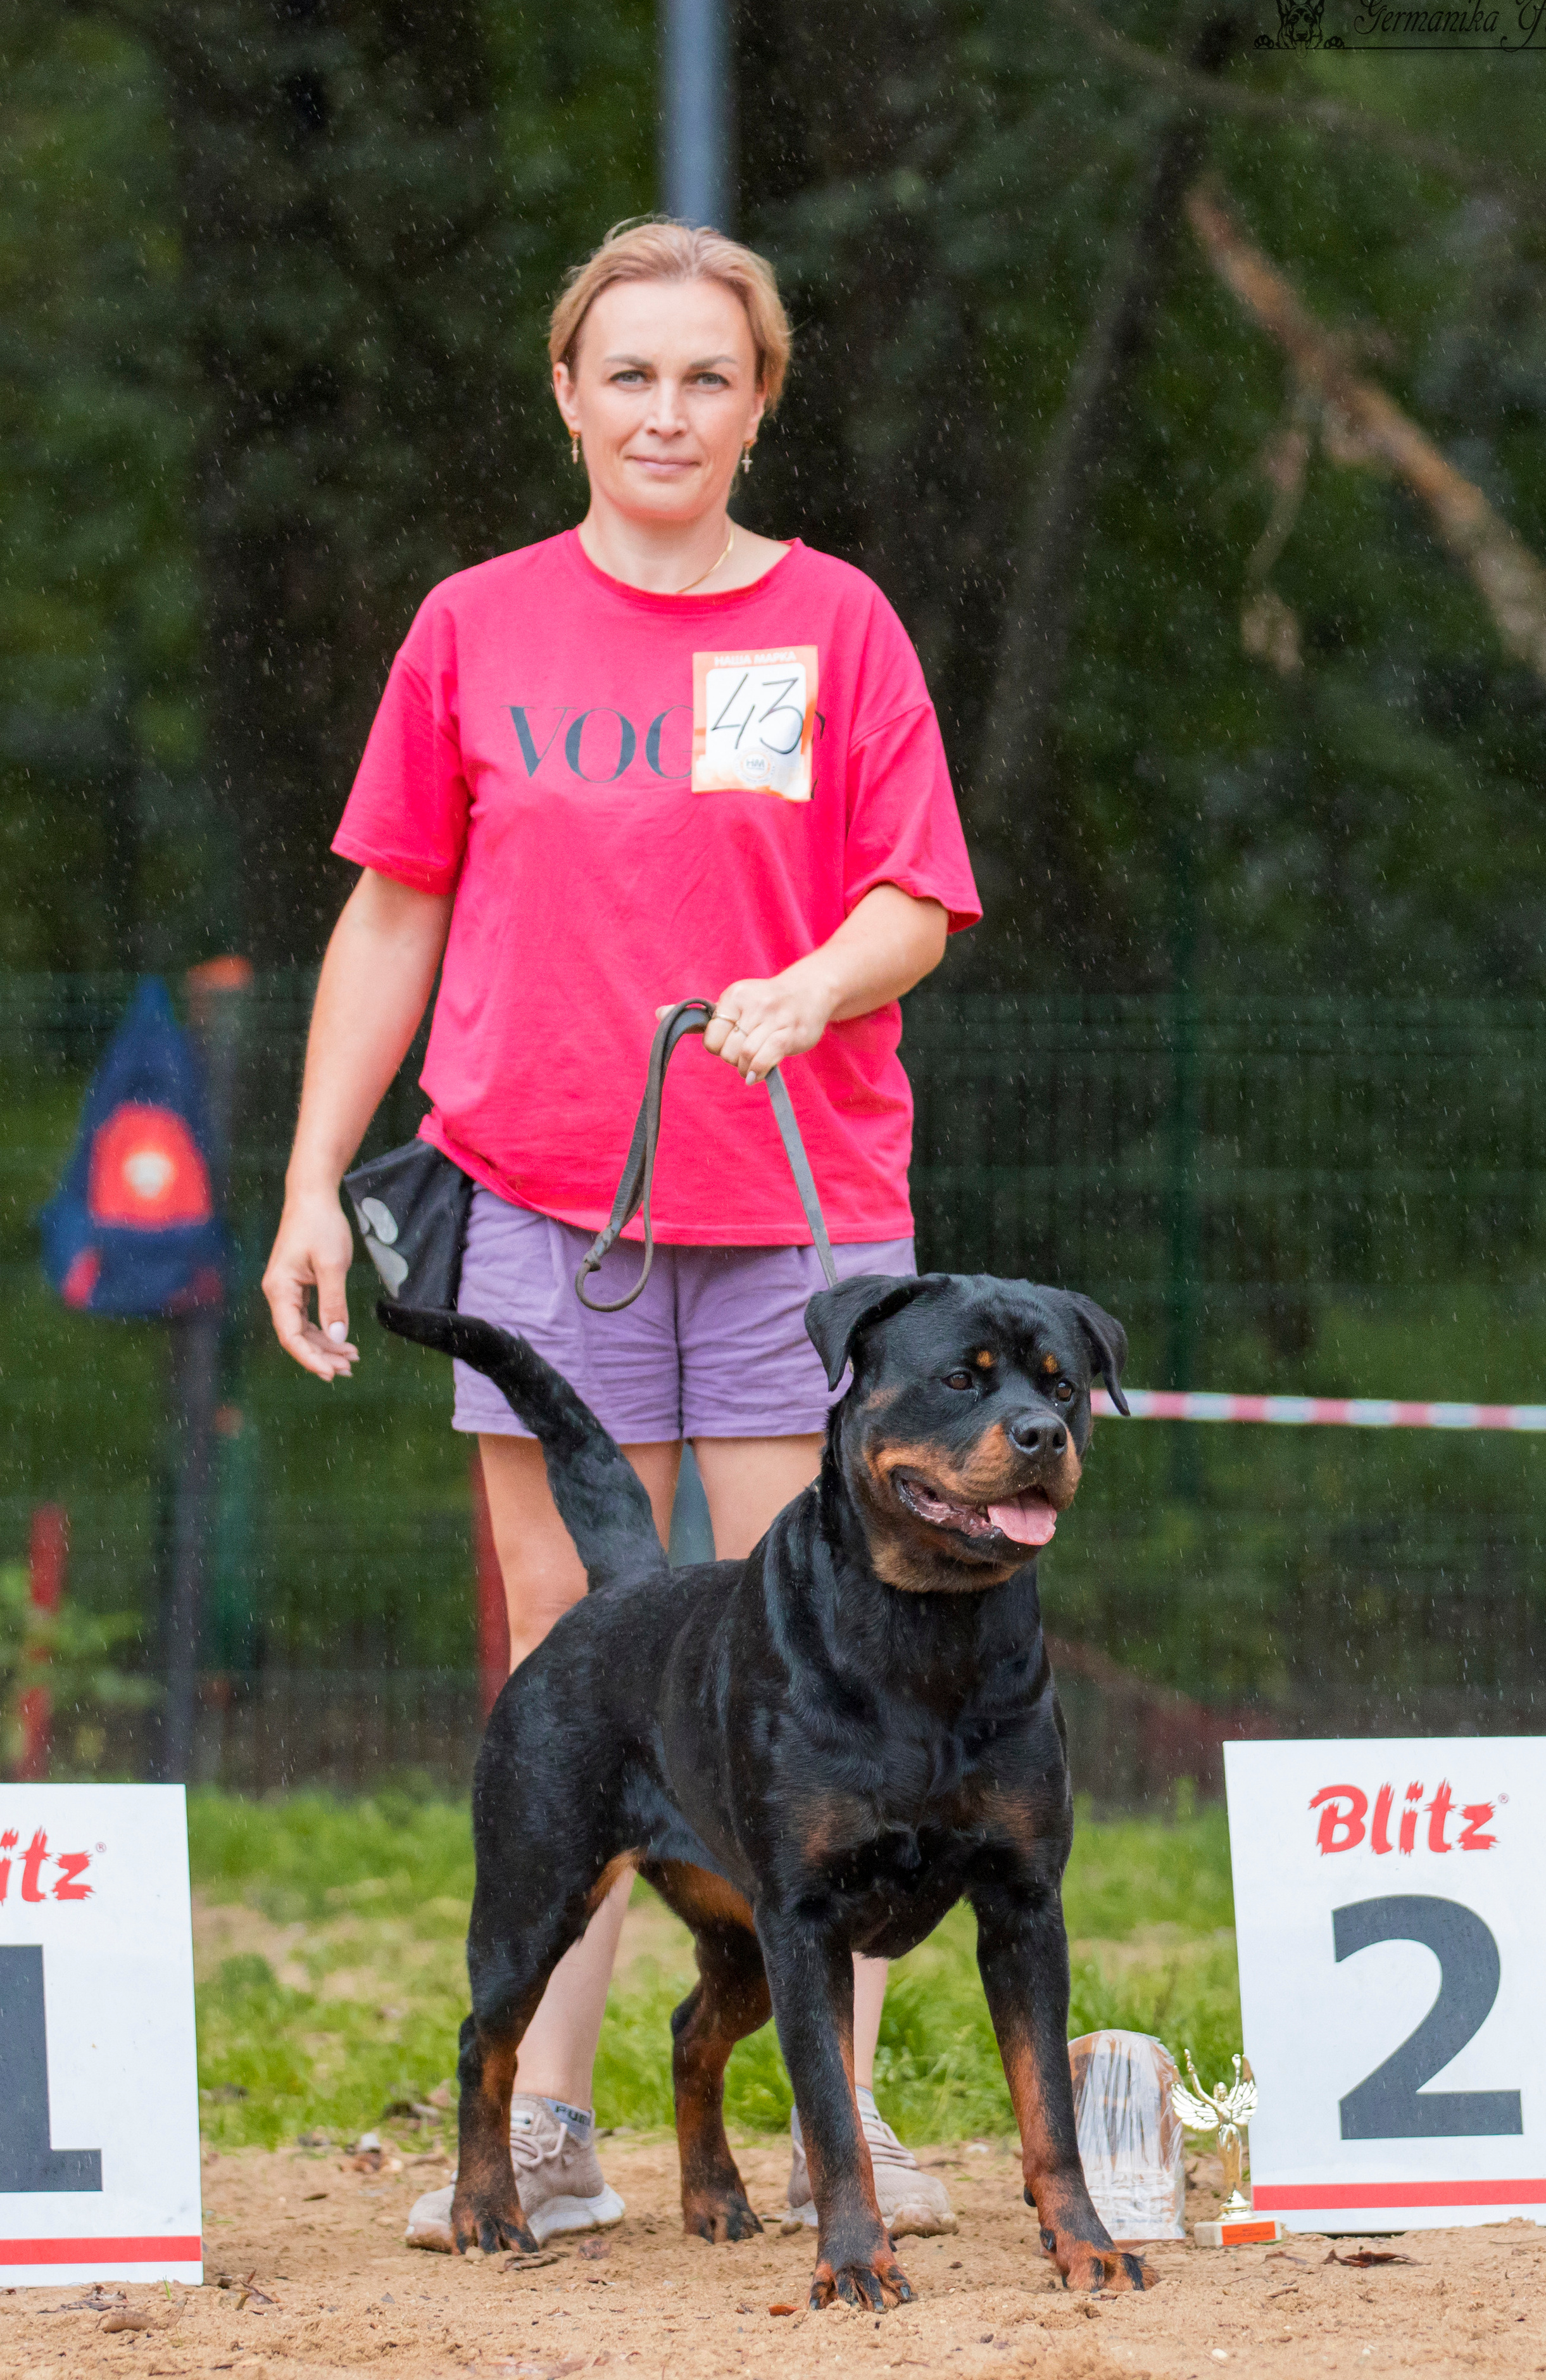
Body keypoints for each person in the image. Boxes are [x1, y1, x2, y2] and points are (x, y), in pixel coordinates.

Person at [261, 218, 982, 2250]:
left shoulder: (838, 623)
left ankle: (838, 2122)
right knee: (572, 1663)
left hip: (797, 1219)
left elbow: (916, 900)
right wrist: (314, 1179)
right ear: (568, 396)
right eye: (632, 373)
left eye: (709, 376)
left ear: (762, 407)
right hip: (537, 1209)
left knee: (818, 1657)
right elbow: (394, 907)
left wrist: (814, 986)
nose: (669, 410)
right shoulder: (474, 623)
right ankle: (552, 2126)